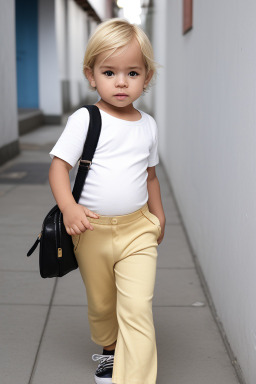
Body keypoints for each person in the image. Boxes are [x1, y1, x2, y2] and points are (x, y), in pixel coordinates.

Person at [48, 17, 165, 384]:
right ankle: (110, 351)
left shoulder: (148, 124)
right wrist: (69, 207)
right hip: (91, 231)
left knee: (137, 308)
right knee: (102, 305)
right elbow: (58, 169)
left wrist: (158, 218)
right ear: (91, 74)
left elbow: (150, 175)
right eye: (109, 71)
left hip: (137, 231)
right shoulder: (85, 119)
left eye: (132, 73)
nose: (120, 82)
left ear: (146, 78)